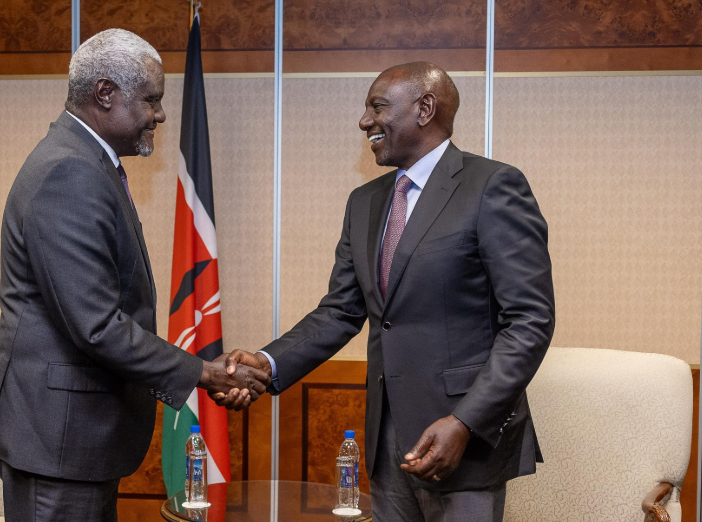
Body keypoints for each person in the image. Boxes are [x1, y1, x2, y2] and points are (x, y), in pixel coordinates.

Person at [219, 62, 555, 521]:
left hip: (463, 441)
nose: (364, 122)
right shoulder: (365, 202)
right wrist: (267, 362)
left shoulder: (492, 186)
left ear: (425, 108)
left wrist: (465, 422)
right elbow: (340, 311)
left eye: (377, 107)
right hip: (386, 440)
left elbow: (530, 320)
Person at [0, 29, 269, 522]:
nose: (160, 114)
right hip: (58, 439)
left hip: (70, 436)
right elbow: (96, 324)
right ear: (105, 94)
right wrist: (203, 372)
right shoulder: (70, 173)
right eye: (150, 99)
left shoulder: (88, 163)